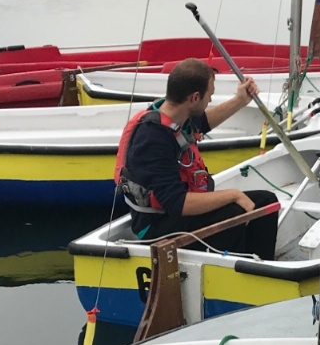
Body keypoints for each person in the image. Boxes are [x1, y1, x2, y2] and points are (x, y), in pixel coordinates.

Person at [115, 57, 280, 256]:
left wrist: (240, 100)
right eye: (209, 95)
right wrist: (233, 194)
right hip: (158, 226)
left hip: (177, 213)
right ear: (194, 98)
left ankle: (259, 265)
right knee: (235, 212)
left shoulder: (177, 115)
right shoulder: (152, 139)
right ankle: (234, 266)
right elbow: (177, 203)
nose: (210, 100)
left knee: (267, 202)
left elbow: (203, 122)